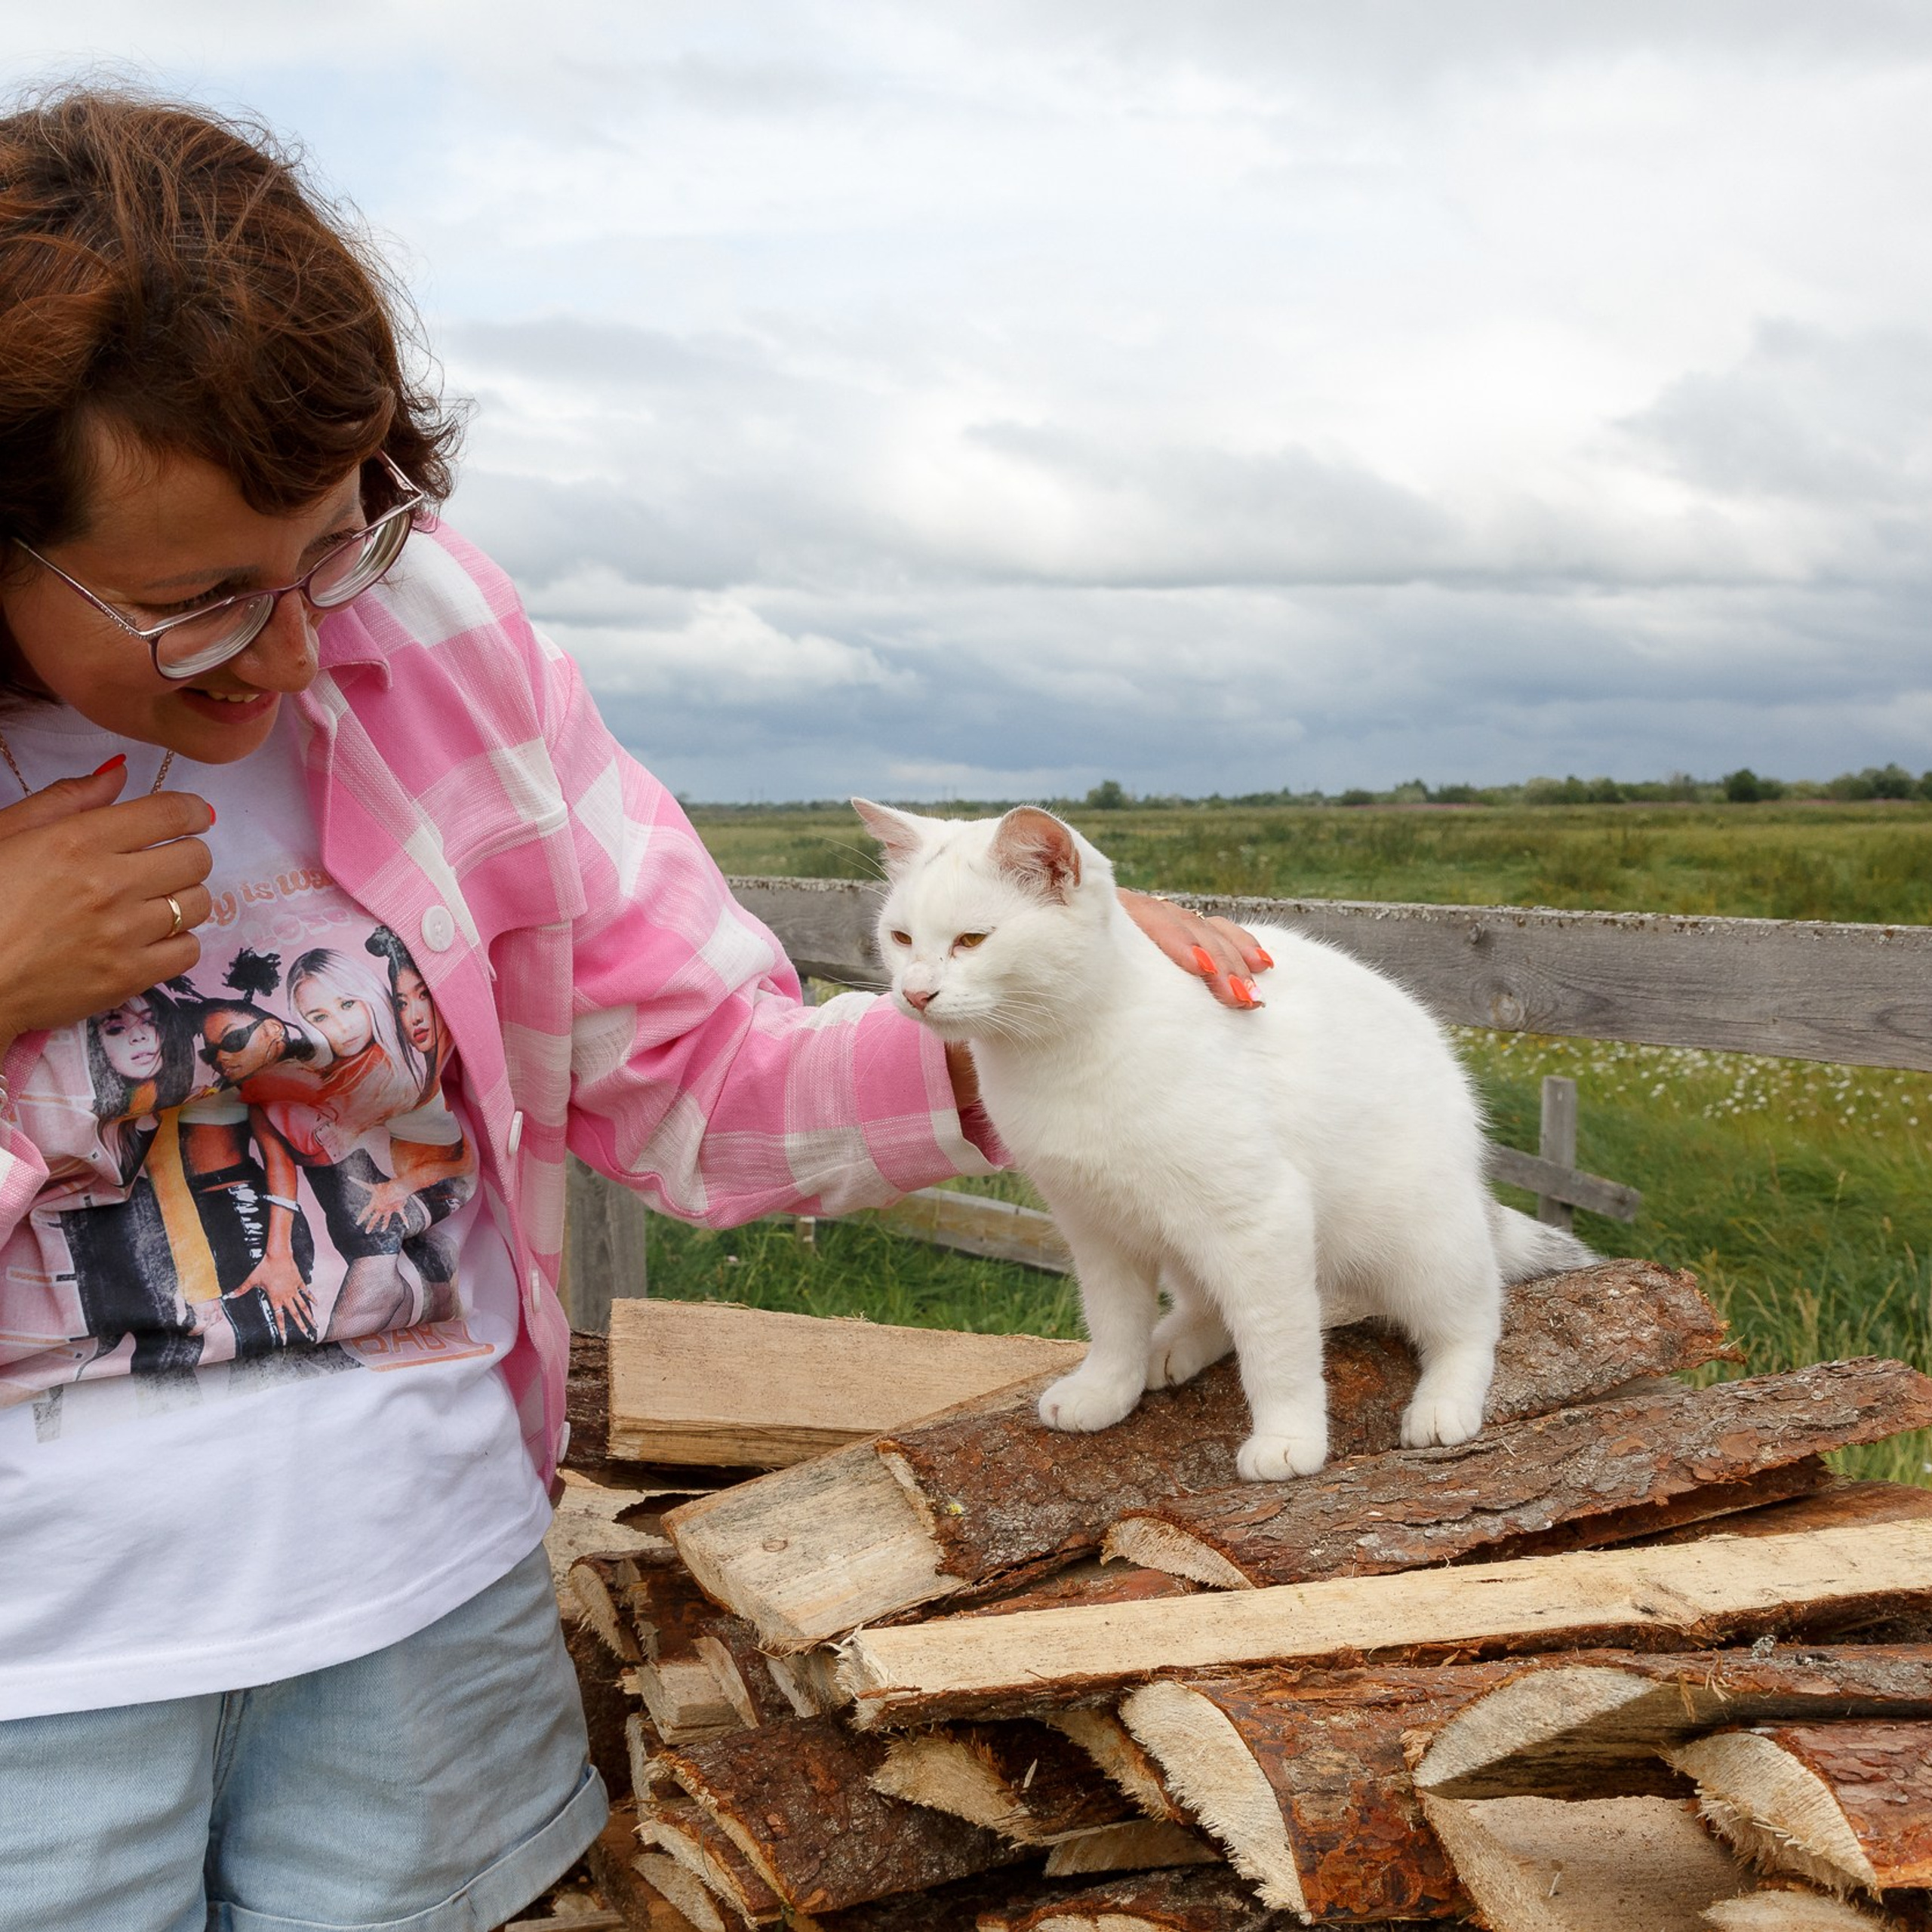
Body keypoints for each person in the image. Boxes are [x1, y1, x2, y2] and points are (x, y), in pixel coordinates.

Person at [0, 86, 1269, 1931]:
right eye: (198, 607)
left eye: (331, 550)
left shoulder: (429, 633)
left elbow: (689, 1071)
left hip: (420, 1637)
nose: (290, 652)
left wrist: (1038, 1031)